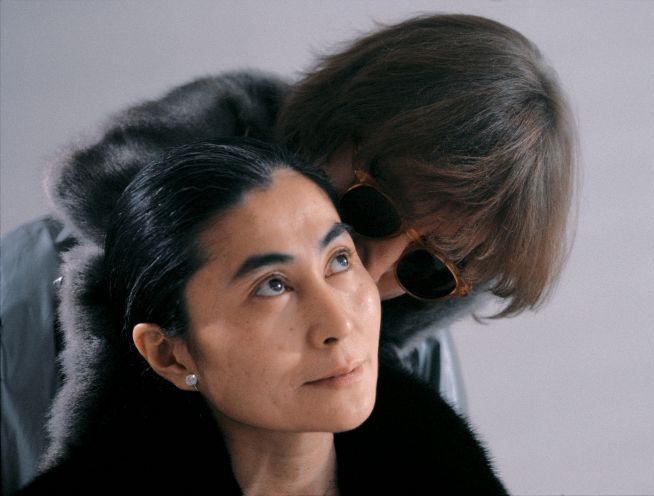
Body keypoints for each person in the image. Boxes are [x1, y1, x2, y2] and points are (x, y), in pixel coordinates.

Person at [1, 13, 575, 493]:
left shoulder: (410, 384)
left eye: (425, 268)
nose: (371, 273)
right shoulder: (32, 286)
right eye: (374, 208)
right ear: (329, 128)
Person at [17, 139, 507, 494]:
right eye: (273, 286)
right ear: (169, 354)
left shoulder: (444, 469)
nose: (339, 325)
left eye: (339, 259)